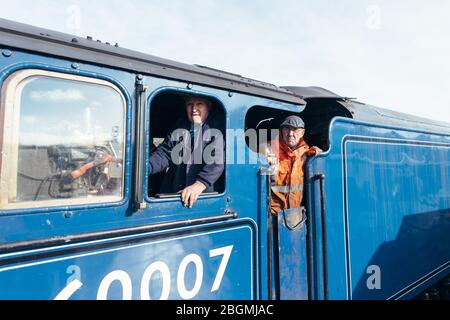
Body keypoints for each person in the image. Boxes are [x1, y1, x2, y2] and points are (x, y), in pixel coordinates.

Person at [149, 95, 224, 208]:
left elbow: (217, 160)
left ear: (208, 106)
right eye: (190, 104)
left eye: (199, 104)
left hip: (204, 198)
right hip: (176, 193)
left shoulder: (217, 127)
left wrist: (200, 184)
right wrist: (143, 167)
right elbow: (164, 154)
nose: (194, 109)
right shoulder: (179, 126)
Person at [260, 115, 322, 215]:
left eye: (295, 130)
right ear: (281, 131)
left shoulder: (307, 153)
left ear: (302, 133)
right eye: (287, 129)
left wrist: (318, 157)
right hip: (271, 214)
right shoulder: (268, 149)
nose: (290, 134)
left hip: (295, 214)